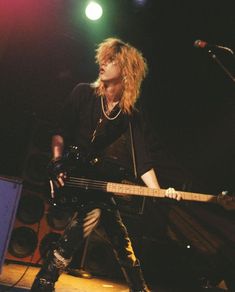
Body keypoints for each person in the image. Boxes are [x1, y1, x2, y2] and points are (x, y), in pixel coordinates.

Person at [30, 37, 181, 292]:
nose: (103, 63)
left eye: (112, 60)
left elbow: (142, 159)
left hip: (95, 182)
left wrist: (158, 191)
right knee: (100, 215)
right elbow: (60, 132)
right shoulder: (82, 92)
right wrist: (56, 163)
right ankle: (48, 279)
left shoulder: (129, 114)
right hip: (69, 173)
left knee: (116, 233)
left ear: (126, 71)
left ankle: (45, 280)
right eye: (105, 57)